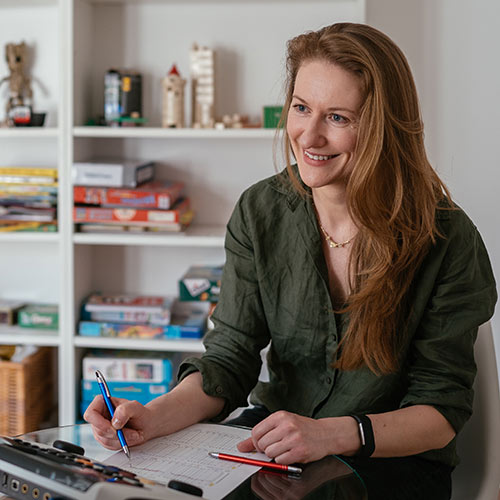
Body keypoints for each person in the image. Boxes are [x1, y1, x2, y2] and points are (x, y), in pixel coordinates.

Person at [84, 22, 497, 496]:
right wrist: (153, 417)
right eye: (302, 108)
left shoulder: (446, 237)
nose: (309, 136)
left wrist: (330, 433)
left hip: (385, 463)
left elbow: (440, 412)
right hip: (275, 448)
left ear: (383, 127)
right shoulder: (260, 211)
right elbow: (230, 358)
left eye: (338, 118)